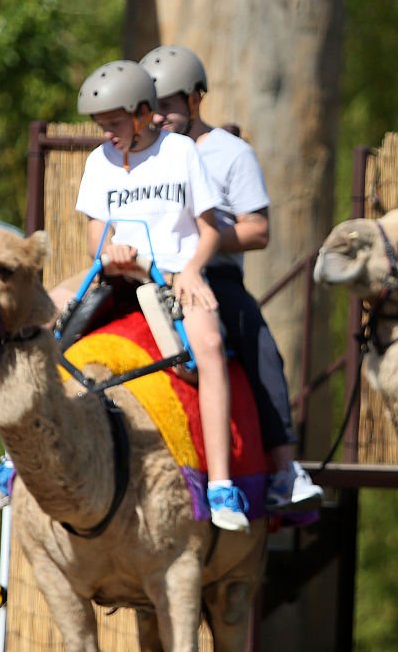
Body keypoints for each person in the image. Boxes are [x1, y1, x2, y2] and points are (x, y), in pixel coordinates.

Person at [0, 60, 250, 533]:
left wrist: (194, 272)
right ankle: (11, 463)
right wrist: (111, 252)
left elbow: (210, 230)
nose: (109, 133)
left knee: (209, 345)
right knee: (38, 323)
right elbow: (98, 233)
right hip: (115, 273)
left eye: (115, 123)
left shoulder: (180, 152)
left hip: (172, 271)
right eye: (102, 126)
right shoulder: (99, 161)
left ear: (143, 112)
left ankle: (222, 486)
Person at [139, 45, 323, 512]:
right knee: (63, 320)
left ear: (195, 100)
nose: (157, 118)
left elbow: (258, 230)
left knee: (257, 341)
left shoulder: (230, 153)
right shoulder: (136, 154)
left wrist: (201, 237)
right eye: (149, 107)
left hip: (211, 275)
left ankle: (283, 470)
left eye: (167, 106)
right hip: (141, 271)